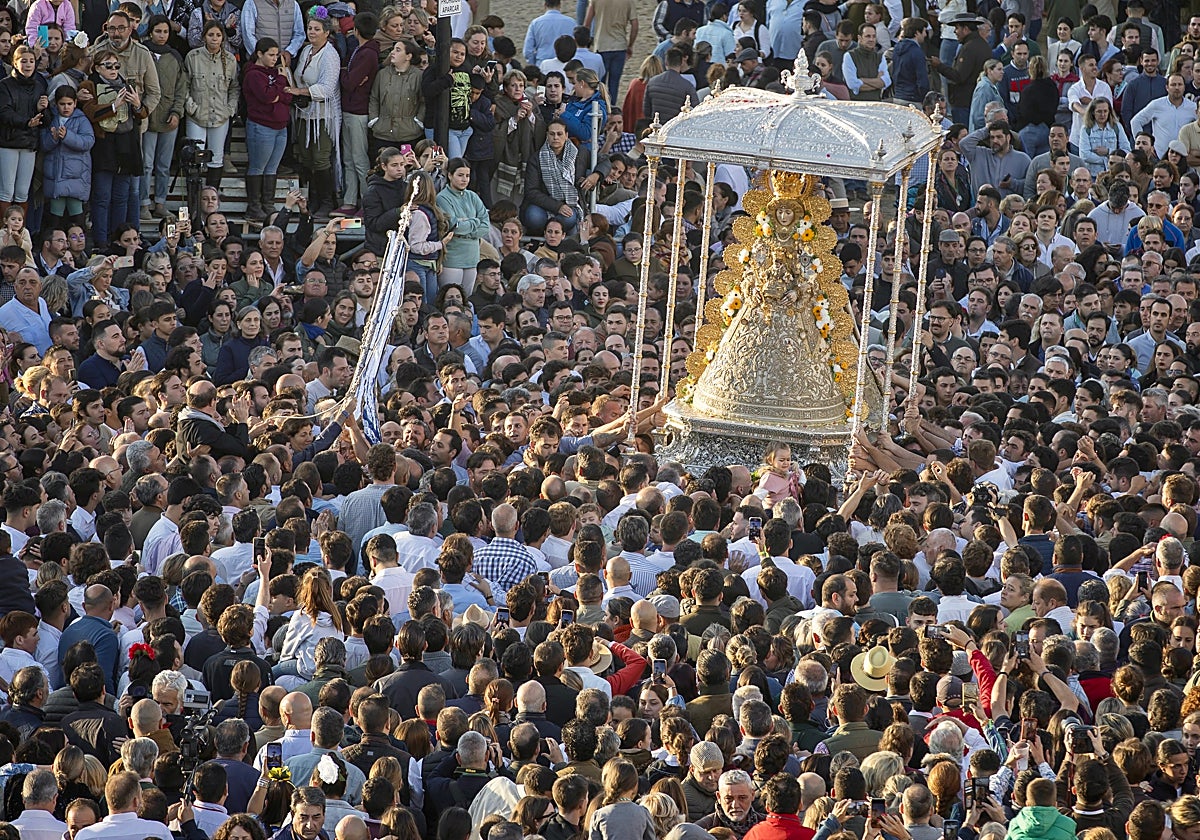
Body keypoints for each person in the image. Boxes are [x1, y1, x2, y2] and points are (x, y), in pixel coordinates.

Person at [289, 11, 342, 219]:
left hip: (323, 115)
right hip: (304, 114)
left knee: (320, 159)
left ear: (327, 33)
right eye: (310, 28)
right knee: (307, 158)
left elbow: (327, 88)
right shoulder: (306, 51)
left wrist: (300, 92)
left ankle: (327, 201)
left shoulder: (330, 55)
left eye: (316, 29)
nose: (312, 32)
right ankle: (313, 199)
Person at [242, 37, 293, 222]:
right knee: (258, 166)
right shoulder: (254, 74)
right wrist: (281, 80)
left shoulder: (275, 73)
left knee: (272, 168)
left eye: (276, 55)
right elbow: (268, 96)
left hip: (280, 125)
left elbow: (288, 96)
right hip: (261, 125)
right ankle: (254, 206)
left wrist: (279, 91)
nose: (274, 58)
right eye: (271, 55)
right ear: (259, 54)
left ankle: (268, 203)